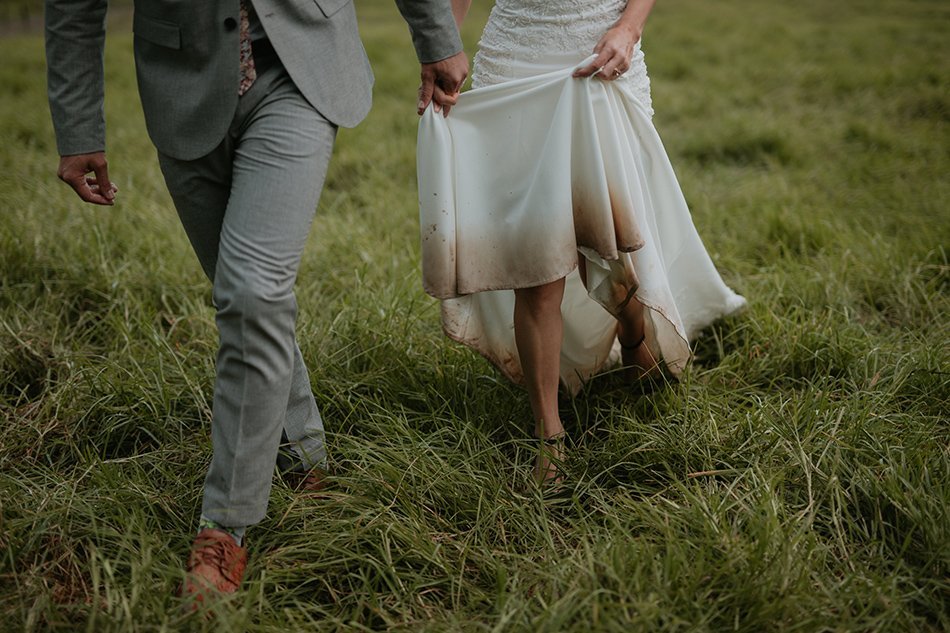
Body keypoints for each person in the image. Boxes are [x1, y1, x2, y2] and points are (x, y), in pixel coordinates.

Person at [45, 0, 467, 603]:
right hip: (182, 83)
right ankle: (305, 456)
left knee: (250, 291)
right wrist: (79, 126)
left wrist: (435, 34)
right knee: (248, 300)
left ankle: (225, 526)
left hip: (300, 67)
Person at [418, 0, 746, 483]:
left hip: (600, 55)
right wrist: (441, 50)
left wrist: (628, 28)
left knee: (610, 236)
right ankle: (548, 436)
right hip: (515, 60)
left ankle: (634, 335)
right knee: (536, 260)